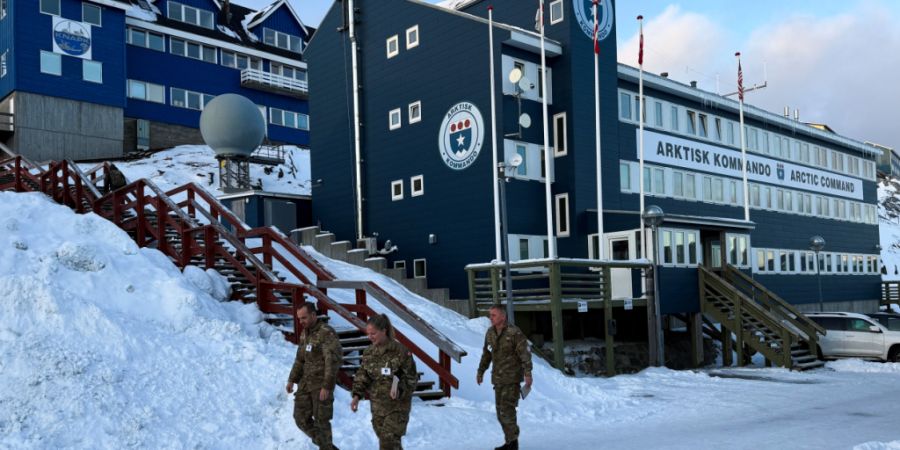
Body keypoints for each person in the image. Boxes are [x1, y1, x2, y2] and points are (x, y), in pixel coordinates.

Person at [350, 314, 418, 450]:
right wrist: (357, 395)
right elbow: (363, 375)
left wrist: (400, 390)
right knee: (392, 445)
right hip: (378, 408)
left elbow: (412, 379)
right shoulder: (369, 353)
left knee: (387, 443)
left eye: (373, 333)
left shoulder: (401, 352)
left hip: (397, 408)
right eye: (368, 334)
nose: (370, 337)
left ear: (383, 331)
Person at [285, 302, 342, 450]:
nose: (301, 321)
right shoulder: (305, 333)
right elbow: (300, 359)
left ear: (313, 315)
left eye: (303, 318)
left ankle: (326, 447)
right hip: (305, 384)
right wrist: (292, 379)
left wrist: (327, 386)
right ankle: (328, 447)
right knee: (300, 418)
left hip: (321, 385)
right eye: (299, 318)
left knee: (322, 422)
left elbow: (333, 361)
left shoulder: (326, 333)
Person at [477, 305, 533, 450]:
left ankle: (513, 444)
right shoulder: (490, 333)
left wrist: (528, 373)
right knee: (500, 413)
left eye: (494, 315)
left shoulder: (514, 332)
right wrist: (480, 371)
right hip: (498, 379)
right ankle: (510, 441)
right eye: (490, 315)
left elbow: (524, 354)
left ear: (503, 316)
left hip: (512, 379)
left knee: (507, 411)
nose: (491, 318)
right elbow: (486, 354)